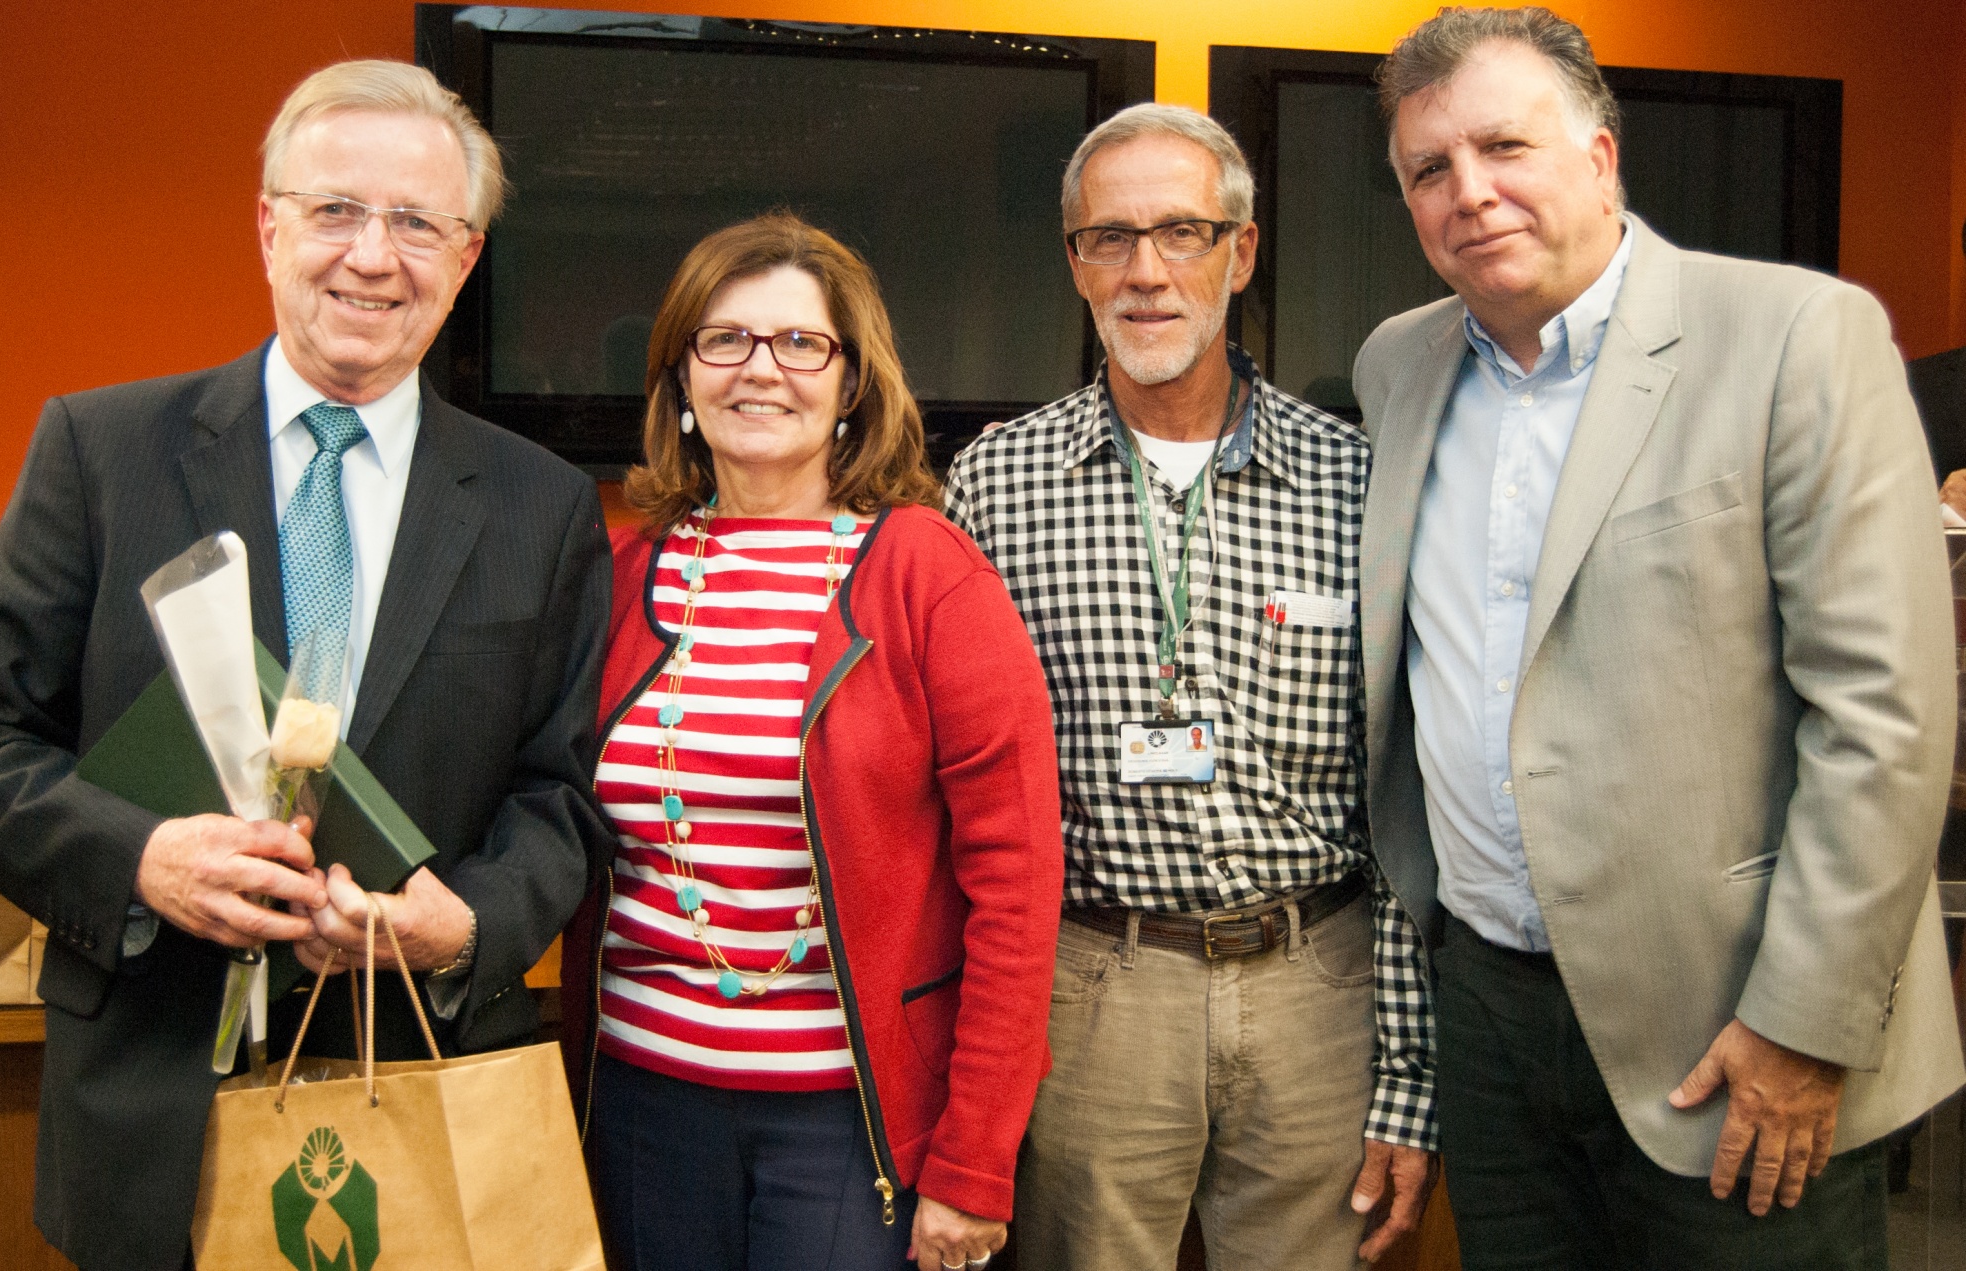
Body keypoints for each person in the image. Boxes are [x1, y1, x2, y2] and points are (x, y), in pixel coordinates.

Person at [0, 61, 608, 1271]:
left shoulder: (541, 505)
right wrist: (144, 860)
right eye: (336, 209)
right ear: (267, 223)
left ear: (464, 258)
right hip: (148, 1111)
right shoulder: (101, 449)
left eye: (416, 223)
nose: (371, 255)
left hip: (426, 1100)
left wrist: (463, 924)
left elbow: (561, 797)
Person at [1354, 8, 1966, 1265]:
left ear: (1597, 154)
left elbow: (1884, 714)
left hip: (1733, 1024)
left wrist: (1802, 1019)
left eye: (1503, 146)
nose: (1468, 192)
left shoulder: (1797, 335)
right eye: (1428, 168)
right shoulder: (1396, 367)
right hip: (1490, 1019)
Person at [944, 103, 1436, 1270]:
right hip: (1091, 990)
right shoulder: (994, 483)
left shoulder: (1357, 479)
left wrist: (1409, 1077)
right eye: (1109, 238)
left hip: (1322, 982)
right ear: (1072, 261)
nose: (1146, 271)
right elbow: (955, 797)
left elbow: (1413, 798)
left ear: (1241, 250)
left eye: (1181, 231)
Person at [557, 212, 1064, 1271]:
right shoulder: (617, 570)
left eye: (800, 343)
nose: (761, 370)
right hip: (638, 1103)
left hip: (846, 1120)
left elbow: (1015, 887)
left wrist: (973, 1161)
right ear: (680, 379)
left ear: (851, 384)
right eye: (724, 339)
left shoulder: (929, 574)